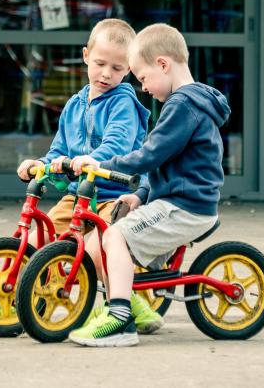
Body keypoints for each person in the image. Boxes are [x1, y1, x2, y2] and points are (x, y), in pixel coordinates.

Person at [69, 22, 230, 347]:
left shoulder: (183, 105)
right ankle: (123, 307)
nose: (143, 87)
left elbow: (150, 155)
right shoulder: (188, 103)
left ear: (163, 64)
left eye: (143, 78)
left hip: (184, 207)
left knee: (114, 236)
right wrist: (141, 195)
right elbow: (169, 163)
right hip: (180, 202)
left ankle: (119, 319)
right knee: (117, 229)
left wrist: (102, 166)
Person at [17, 18, 161, 334]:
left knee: (100, 249)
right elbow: (59, 151)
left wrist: (92, 160)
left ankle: (129, 306)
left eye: (117, 68)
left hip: (114, 196)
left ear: (129, 69)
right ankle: (23, 298)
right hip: (78, 196)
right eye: (100, 64)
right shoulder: (74, 105)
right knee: (40, 239)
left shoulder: (123, 102)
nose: (106, 73)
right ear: (86, 56)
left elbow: (118, 143)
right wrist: (40, 164)